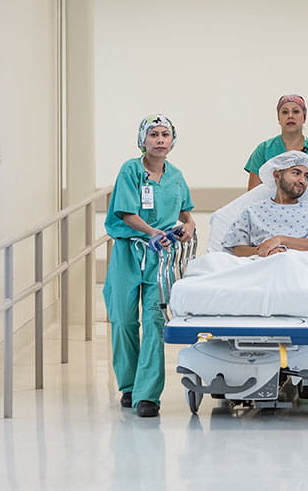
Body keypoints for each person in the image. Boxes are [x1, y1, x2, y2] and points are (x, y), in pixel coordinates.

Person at [103, 114, 195, 418]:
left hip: (161, 257)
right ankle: (129, 386)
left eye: (165, 134)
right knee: (123, 320)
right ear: (142, 140)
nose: (159, 140)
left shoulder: (175, 176)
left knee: (155, 322)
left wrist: (190, 223)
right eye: (153, 134)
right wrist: (152, 232)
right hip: (129, 252)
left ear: (172, 141)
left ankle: (147, 395)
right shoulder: (131, 170)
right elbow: (126, 213)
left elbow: (184, 210)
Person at [225, 151, 308, 257]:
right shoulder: (252, 212)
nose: (303, 180)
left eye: (306, 176)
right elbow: (238, 250)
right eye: (296, 173)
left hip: (299, 264)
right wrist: (266, 251)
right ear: (277, 175)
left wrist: (280, 240)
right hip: (260, 263)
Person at [244, 94, 308, 195]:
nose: (290, 116)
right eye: (285, 112)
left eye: (296, 111)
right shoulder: (263, 150)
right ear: (279, 118)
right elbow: (252, 196)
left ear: (304, 117)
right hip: (269, 205)